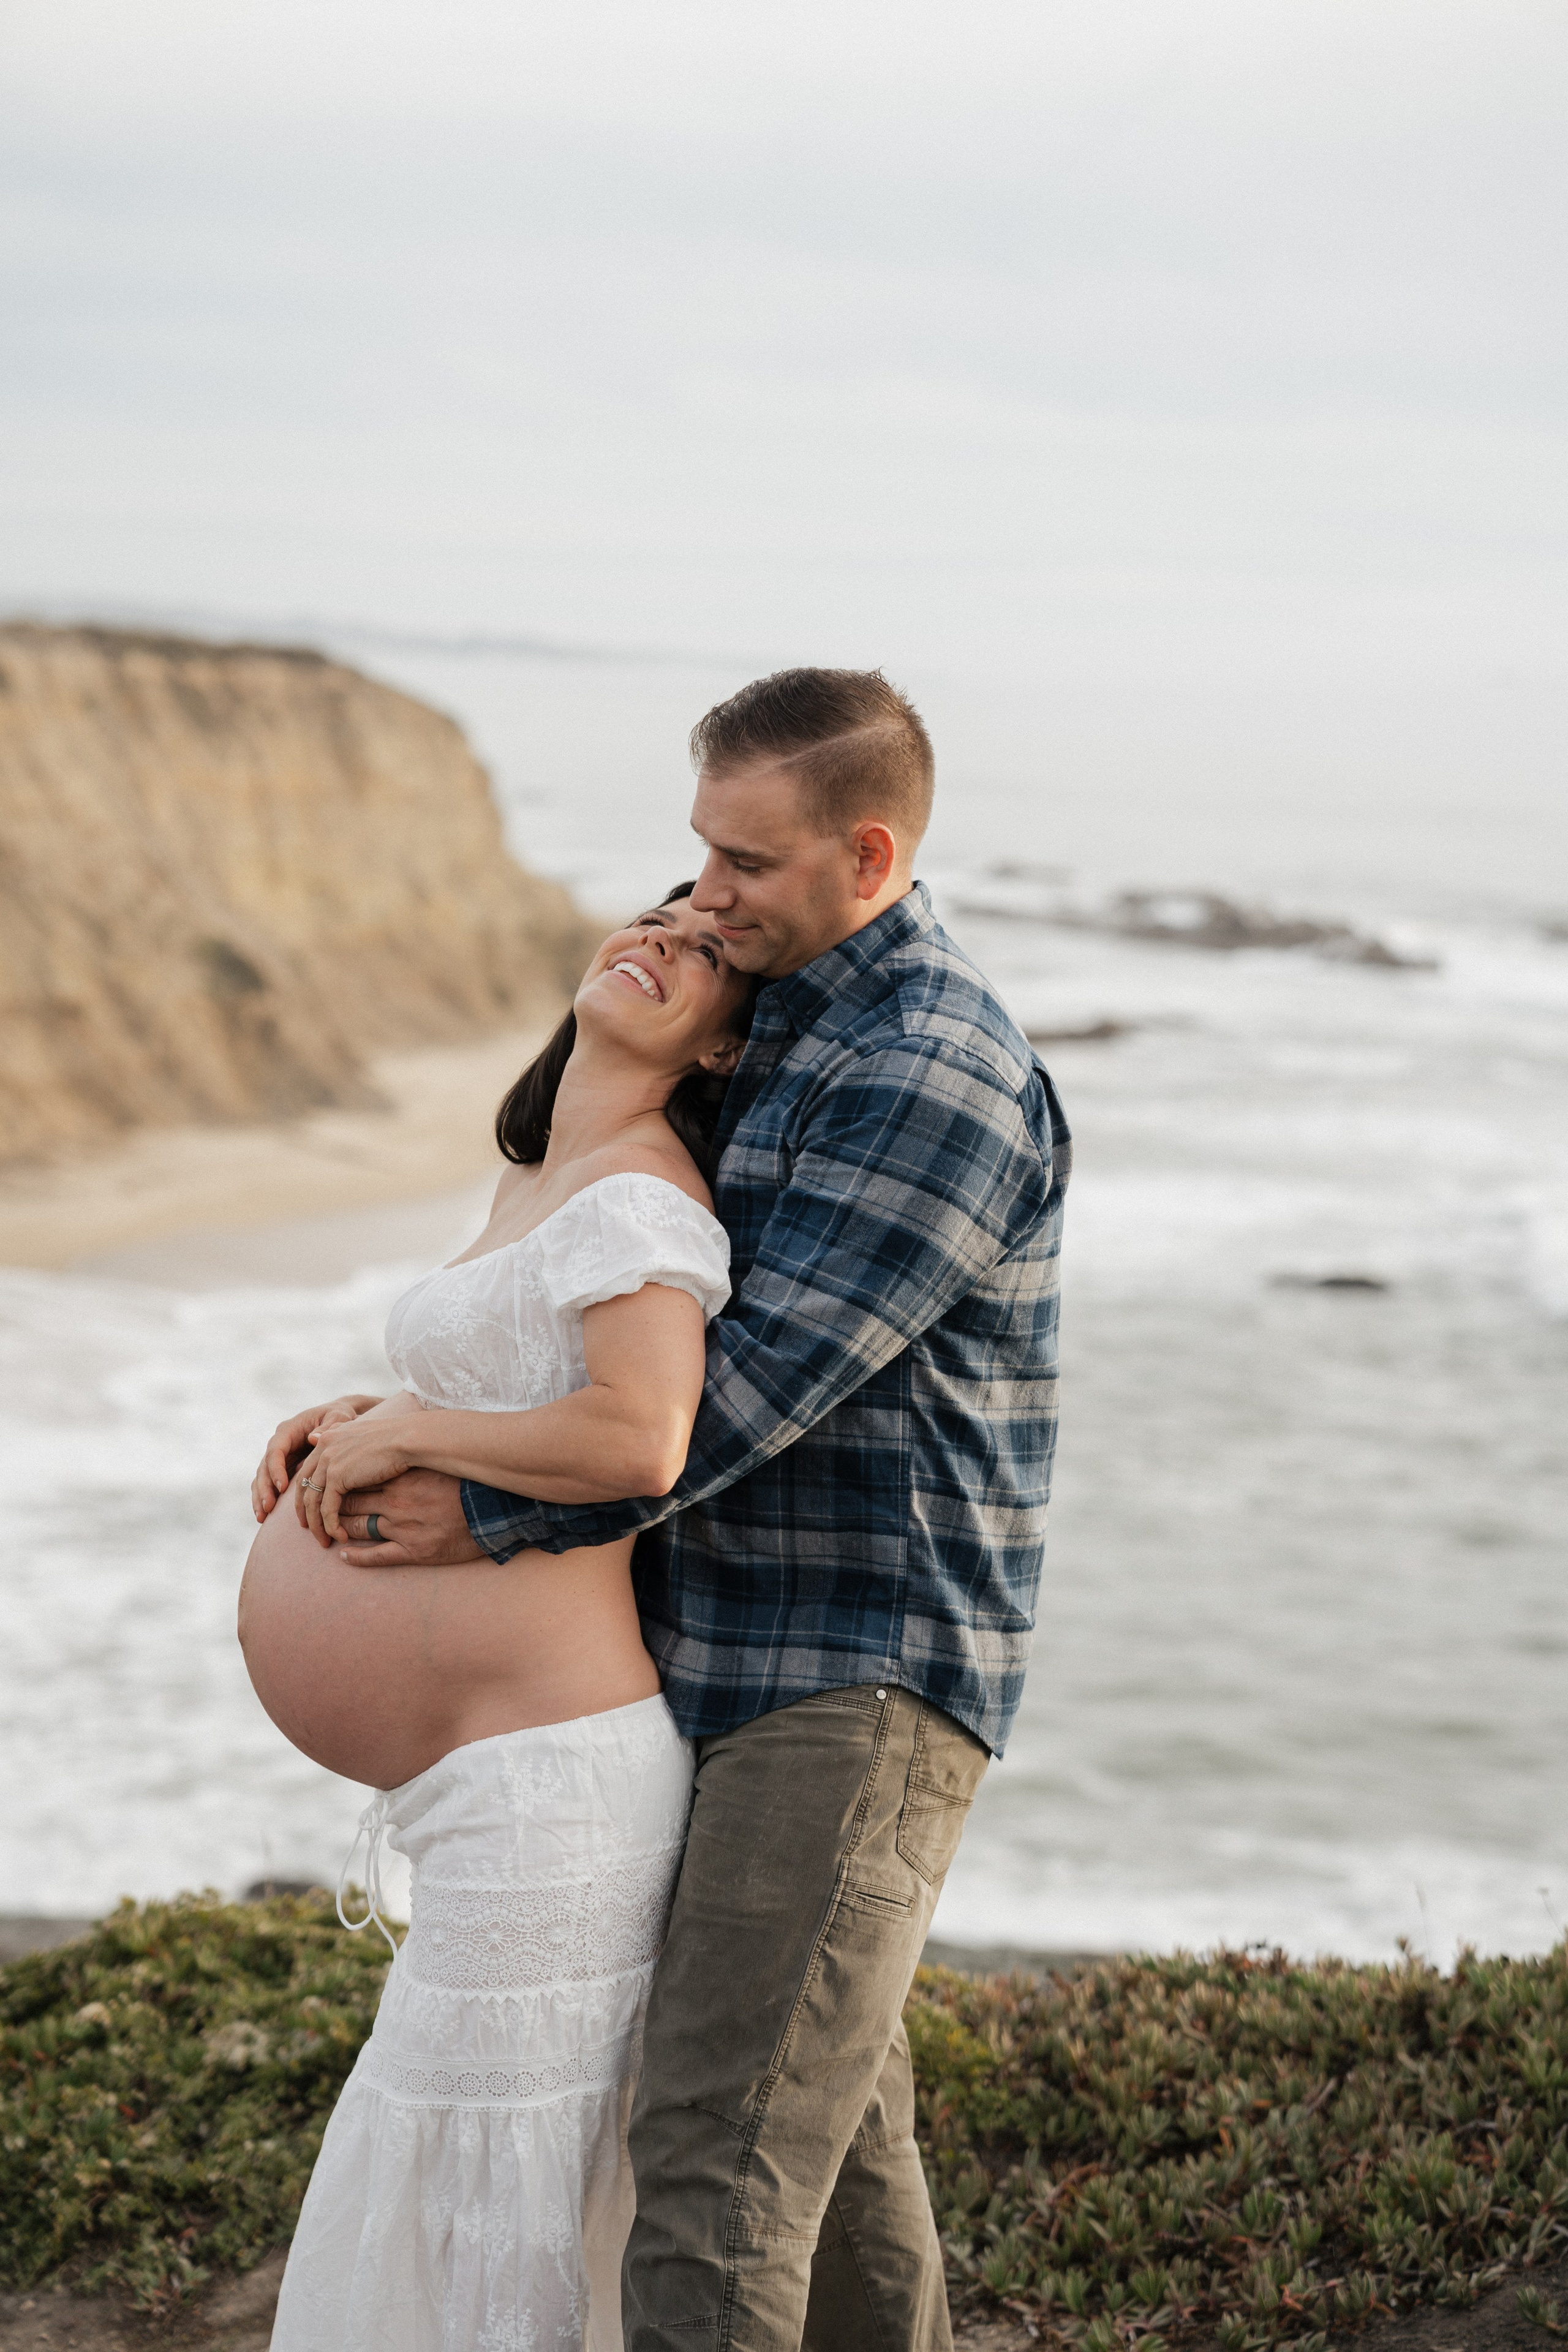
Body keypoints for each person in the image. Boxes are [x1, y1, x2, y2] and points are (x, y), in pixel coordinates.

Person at [330, 667, 1072, 2352]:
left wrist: (475, 1506)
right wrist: (400, 1411)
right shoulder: (777, 1007)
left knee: (717, 2157)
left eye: (746, 862)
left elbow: (742, 1394)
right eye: (700, 849)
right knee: (836, 2137)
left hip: (852, 1680)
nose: (703, 894)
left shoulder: (931, 1066)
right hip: (718, 1654)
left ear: (868, 853)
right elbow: (613, 1285)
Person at [239, 884, 756, 2351]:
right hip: (497, 1780)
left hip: (556, 1786)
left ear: (721, 1049)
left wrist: (415, 1437)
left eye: (709, 954)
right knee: (456, 2152)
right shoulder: (544, 1173)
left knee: (493, 2173)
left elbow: (637, 1438)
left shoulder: (643, 1197)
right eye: (658, 920)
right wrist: (368, 1420)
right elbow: (519, 1390)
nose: (661, 940)